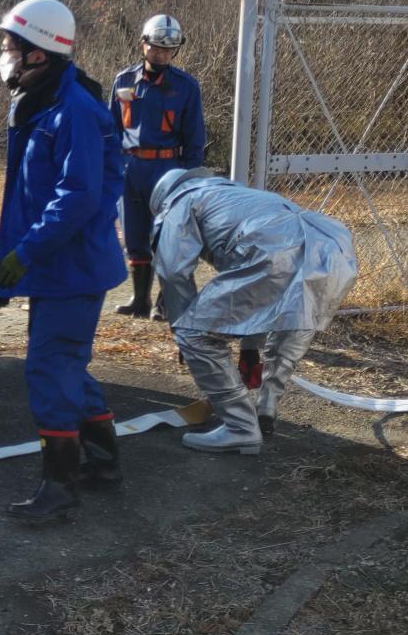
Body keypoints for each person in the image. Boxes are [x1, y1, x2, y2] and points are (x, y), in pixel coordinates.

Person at [0, 0, 128, 524]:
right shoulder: (39, 101)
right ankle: (105, 463)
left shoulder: (75, 112)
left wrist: (23, 256)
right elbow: (25, 195)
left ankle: (60, 485)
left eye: (11, 47)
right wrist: (13, 262)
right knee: (68, 365)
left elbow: (78, 197)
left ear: (40, 54)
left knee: (51, 369)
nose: (5, 56)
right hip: (56, 265)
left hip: (73, 268)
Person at [149, 167, 357, 454]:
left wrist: (183, 323)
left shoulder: (180, 203)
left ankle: (239, 427)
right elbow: (259, 296)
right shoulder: (235, 194)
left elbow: (173, 273)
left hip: (274, 252)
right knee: (297, 318)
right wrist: (249, 349)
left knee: (192, 333)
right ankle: (266, 407)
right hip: (332, 246)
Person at [110, 14, 205, 319]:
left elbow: (194, 138)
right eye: (157, 48)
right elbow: (112, 129)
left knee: (167, 236)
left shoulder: (186, 87)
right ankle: (140, 300)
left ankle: (167, 302)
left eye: (169, 49)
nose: (162, 54)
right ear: (143, 44)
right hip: (130, 167)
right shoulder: (124, 81)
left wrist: (189, 179)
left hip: (168, 170)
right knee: (134, 234)